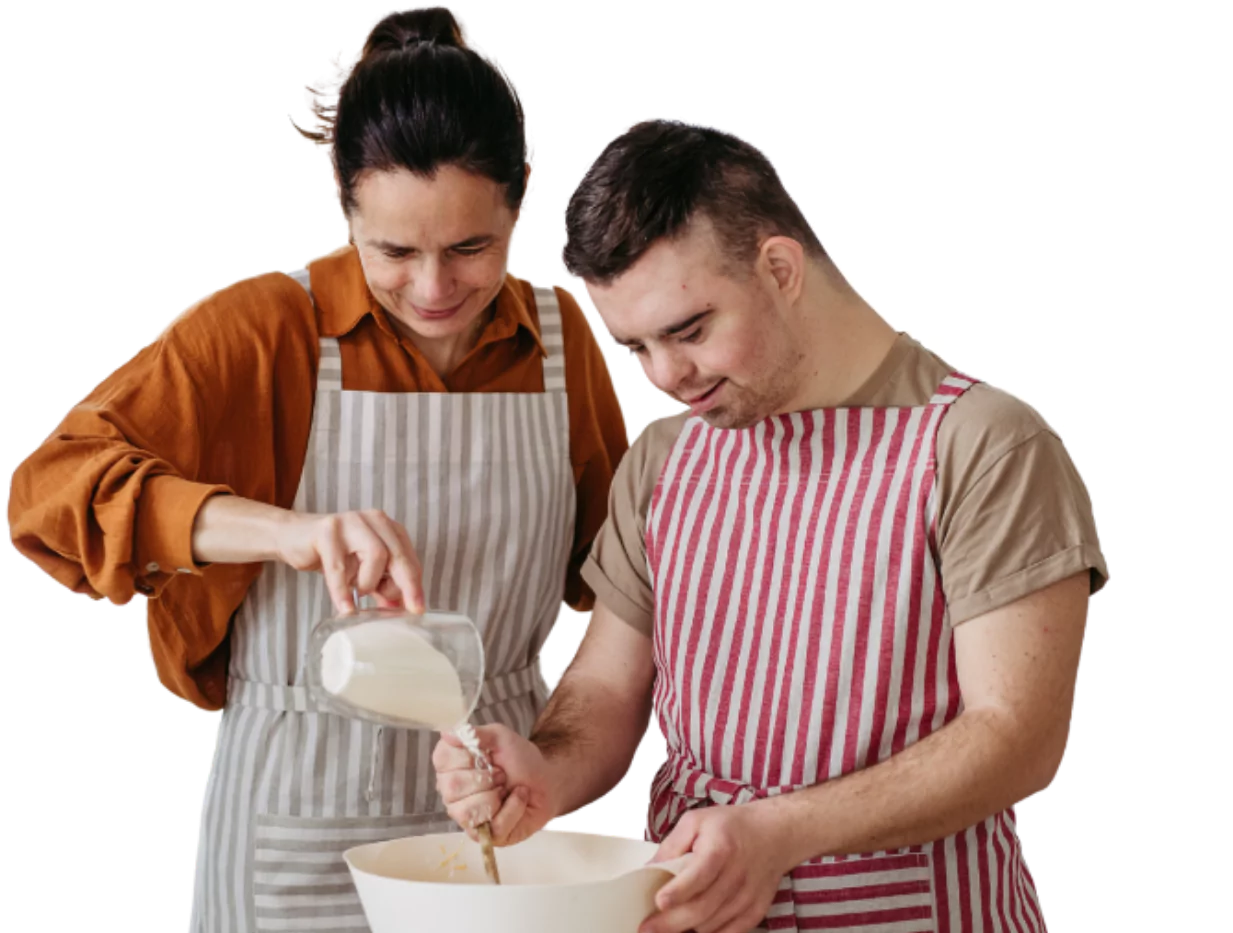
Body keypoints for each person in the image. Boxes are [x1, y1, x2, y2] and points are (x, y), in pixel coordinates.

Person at [6, 5, 630, 931]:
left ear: (521, 194)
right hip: (297, 824)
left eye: (471, 248)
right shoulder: (267, 329)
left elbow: (621, 575)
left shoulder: (560, 339)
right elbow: (49, 490)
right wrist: (286, 529)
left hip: (499, 801)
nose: (434, 289)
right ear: (341, 196)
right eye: (393, 251)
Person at [433, 117, 1110, 933]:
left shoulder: (980, 446)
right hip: (694, 909)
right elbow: (608, 687)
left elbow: (1015, 738)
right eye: (636, 347)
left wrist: (779, 831)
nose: (665, 376)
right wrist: (543, 766)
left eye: (688, 330)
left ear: (780, 267)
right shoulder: (666, 457)